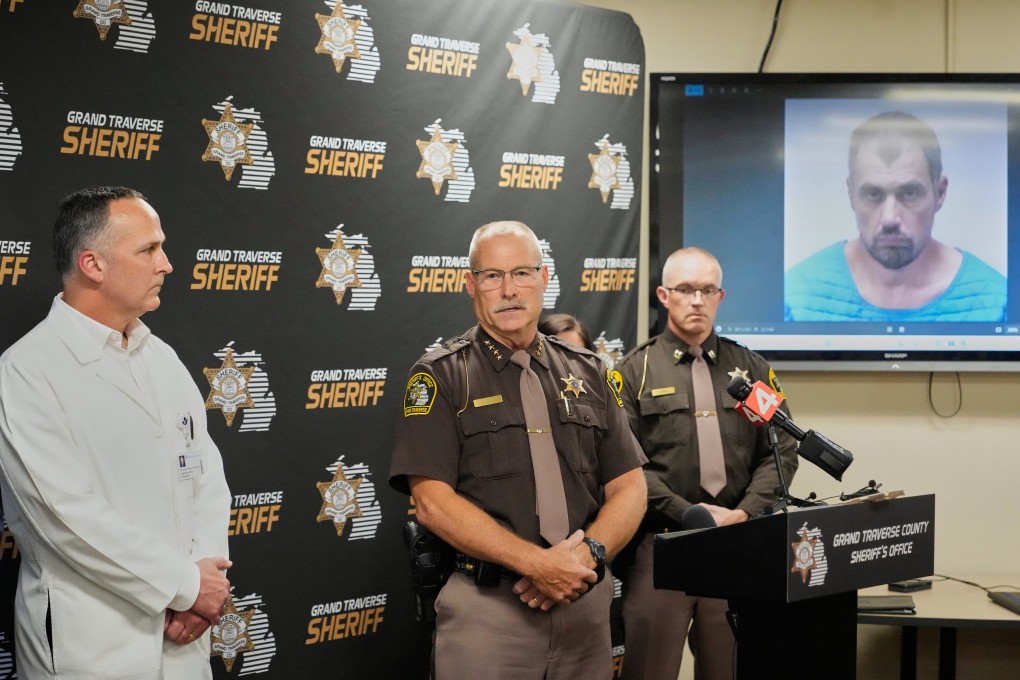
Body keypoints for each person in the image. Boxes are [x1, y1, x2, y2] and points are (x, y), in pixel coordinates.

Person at [389, 220, 648, 679]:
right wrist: (537, 565)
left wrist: (585, 556)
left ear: (544, 278)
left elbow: (629, 486)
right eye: (492, 276)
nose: (509, 289)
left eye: (522, 273)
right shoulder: (441, 376)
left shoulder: (589, 371)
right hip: (490, 614)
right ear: (470, 285)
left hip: (585, 608)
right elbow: (431, 503)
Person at [0, 187, 233, 680]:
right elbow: (66, 518)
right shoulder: (26, 371)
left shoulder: (163, 359)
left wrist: (203, 583)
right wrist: (185, 588)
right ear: (93, 265)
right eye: (148, 249)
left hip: (184, 637)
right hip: (92, 644)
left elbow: (206, 477)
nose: (166, 264)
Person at [617, 247, 798, 680]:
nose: (696, 300)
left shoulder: (751, 369)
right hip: (662, 546)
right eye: (685, 289)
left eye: (707, 290)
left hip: (737, 545)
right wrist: (690, 514)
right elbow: (625, 468)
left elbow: (781, 451)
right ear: (664, 295)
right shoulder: (634, 371)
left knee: (732, 669)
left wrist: (744, 512)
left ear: (721, 296)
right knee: (649, 671)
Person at [785, 110, 1007, 321]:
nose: (890, 218)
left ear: (940, 193)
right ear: (850, 193)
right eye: (873, 194)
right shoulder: (796, 296)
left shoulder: (998, 302)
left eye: (910, 193)